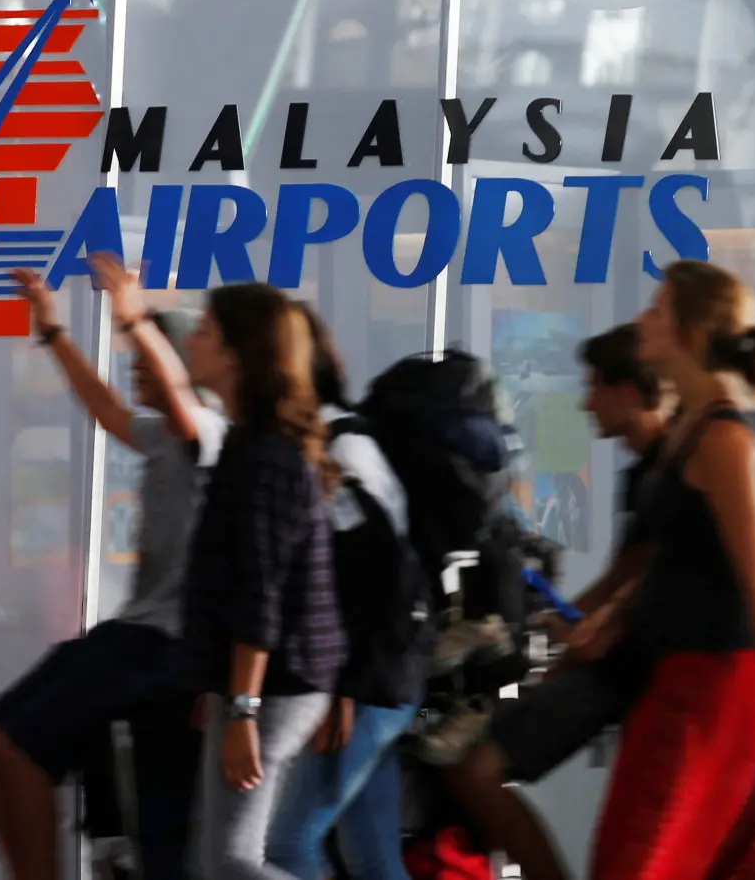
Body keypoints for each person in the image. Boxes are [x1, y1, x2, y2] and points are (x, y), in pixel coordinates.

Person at [0, 256, 228, 880]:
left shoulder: (211, 432)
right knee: (160, 825)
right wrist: (51, 332)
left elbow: (185, 407)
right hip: (149, 644)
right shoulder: (163, 436)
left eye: (148, 357)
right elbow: (104, 408)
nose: (135, 365)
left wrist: (134, 319)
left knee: (3, 742)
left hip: (161, 646)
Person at [591, 260, 755, 879]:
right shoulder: (696, 428)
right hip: (693, 680)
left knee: (644, 858)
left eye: (656, 309)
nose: (642, 320)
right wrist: (614, 613)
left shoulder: (725, 438)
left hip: (715, 689)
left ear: (691, 328)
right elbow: (680, 554)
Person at [440, 323, 667, 880]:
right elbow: (624, 573)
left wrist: (584, 630)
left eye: (594, 387)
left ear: (628, 391)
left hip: (638, 670)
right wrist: (567, 624)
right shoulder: (649, 471)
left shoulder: (672, 469)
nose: (586, 404)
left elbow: (640, 577)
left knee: (477, 770)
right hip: (622, 666)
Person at [179, 284, 347, 880]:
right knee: (220, 859)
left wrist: (243, 708)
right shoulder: (250, 445)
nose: (191, 342)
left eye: (203, 331)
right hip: (259, 680)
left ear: (235, 354)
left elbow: (261, 590)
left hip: (274, 683)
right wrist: (220, 686)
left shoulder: (265, 458)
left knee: (229, 864)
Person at [266, 303, 429, 880]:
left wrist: (342, 689)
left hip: (367, 681)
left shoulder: (339, 448)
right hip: (380, 678)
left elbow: (372, 574)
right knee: (374, 857)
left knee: (287, 846)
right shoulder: (322, 444)